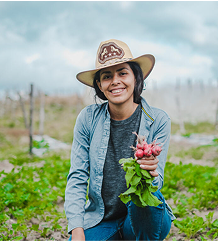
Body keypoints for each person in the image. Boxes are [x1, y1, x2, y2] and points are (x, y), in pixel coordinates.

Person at [64, 39, 175, 241]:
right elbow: (77, 177)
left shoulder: (158, 120)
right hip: (102, 220)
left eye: (122, 73)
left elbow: (157, 185)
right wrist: (77, 230)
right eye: (107, 76)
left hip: (142, 218)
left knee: (147, 203)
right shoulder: (87, 119)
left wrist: (149, 173)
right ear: (99, 84)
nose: (115, 81)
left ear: (135, 77)